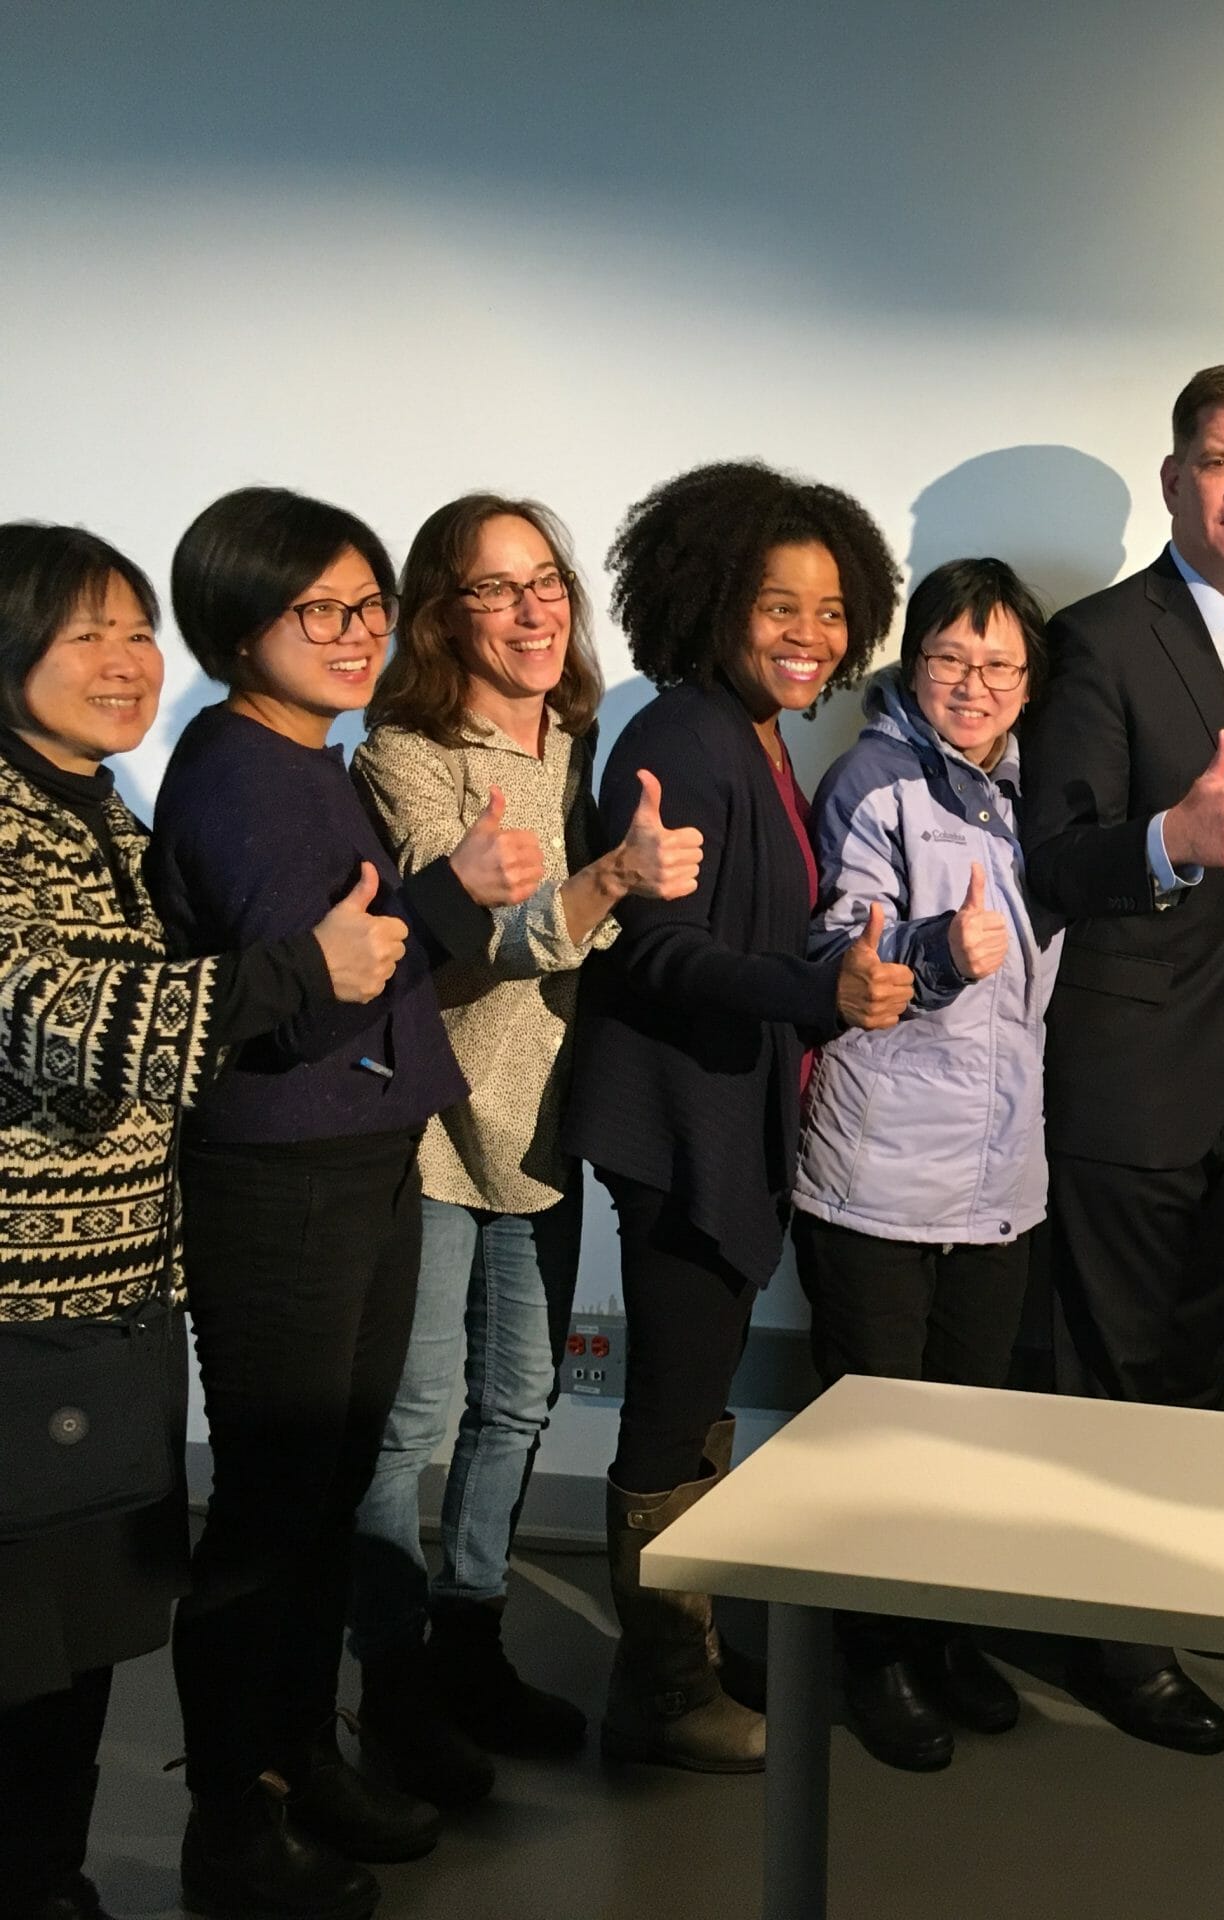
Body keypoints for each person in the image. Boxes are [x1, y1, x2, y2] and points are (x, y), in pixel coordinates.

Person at [146, 487, 543, 1915]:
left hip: (364, 1160)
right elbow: (310, 996)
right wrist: (455, 896)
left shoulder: (303, 755)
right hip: (282, 1176)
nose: (357, 633)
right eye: (324, 610)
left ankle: (301, 1759)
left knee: (320, 1501)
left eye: (371, 606)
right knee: (269, 1512)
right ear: (237, 620)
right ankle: (232, 1828)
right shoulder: (237, 770)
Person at [0, 523, 401, 1920]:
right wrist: (300, 969)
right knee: (27, 1648)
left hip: (114, 1290)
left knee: (85, 1629)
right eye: (80, 638)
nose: (122, 664)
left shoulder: (98, 806)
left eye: (130, 632)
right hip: (25, 1305)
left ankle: (65, 1880)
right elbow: (67, 1028)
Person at [343, 494, 704, 1809]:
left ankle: (469, 1647)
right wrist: (611, 881)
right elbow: (477, 926)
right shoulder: (407, 751)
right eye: (499, 589)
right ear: (443, 612)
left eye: (546, 580)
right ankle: (389, 1693)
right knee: (414, 1421)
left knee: (518, 1402)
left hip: (545, 1131)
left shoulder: (582, 740)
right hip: (435, 1129)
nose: (536, 608)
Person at [559, 461, 908, 1774]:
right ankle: (658, 1693)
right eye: (780, 605)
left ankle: (685, 1651)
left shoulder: (753, 733)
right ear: (711, 600)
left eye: (829, 611)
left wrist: (831, 991)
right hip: (672, 1123)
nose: (809, 634)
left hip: (715, 1114)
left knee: (697, 1404)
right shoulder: (679, 739)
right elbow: (655, 951)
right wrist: (815, 990)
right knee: (669, 1411)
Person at [1020, 362, 1224, 1755]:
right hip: (1129, 1072)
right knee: (1109, 1363)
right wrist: (1168, 840)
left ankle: (1138, 1590)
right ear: (1173, 482)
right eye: (1219, 462)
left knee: (1195, 1358)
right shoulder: (1096, 641)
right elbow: (1054, 855)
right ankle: (1113, 1640)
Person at [791, 558, 1061, 1774]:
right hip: (883, 1173)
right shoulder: (871, 776)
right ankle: (872, 1656)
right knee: (878, 1440)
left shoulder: (1015, 787)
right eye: (951, 658)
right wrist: (937, 946)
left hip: (997, 1175)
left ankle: (942, 1631)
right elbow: (833, 948)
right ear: (912, 663)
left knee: (962, 1435)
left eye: (999, 665)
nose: (974, 684)